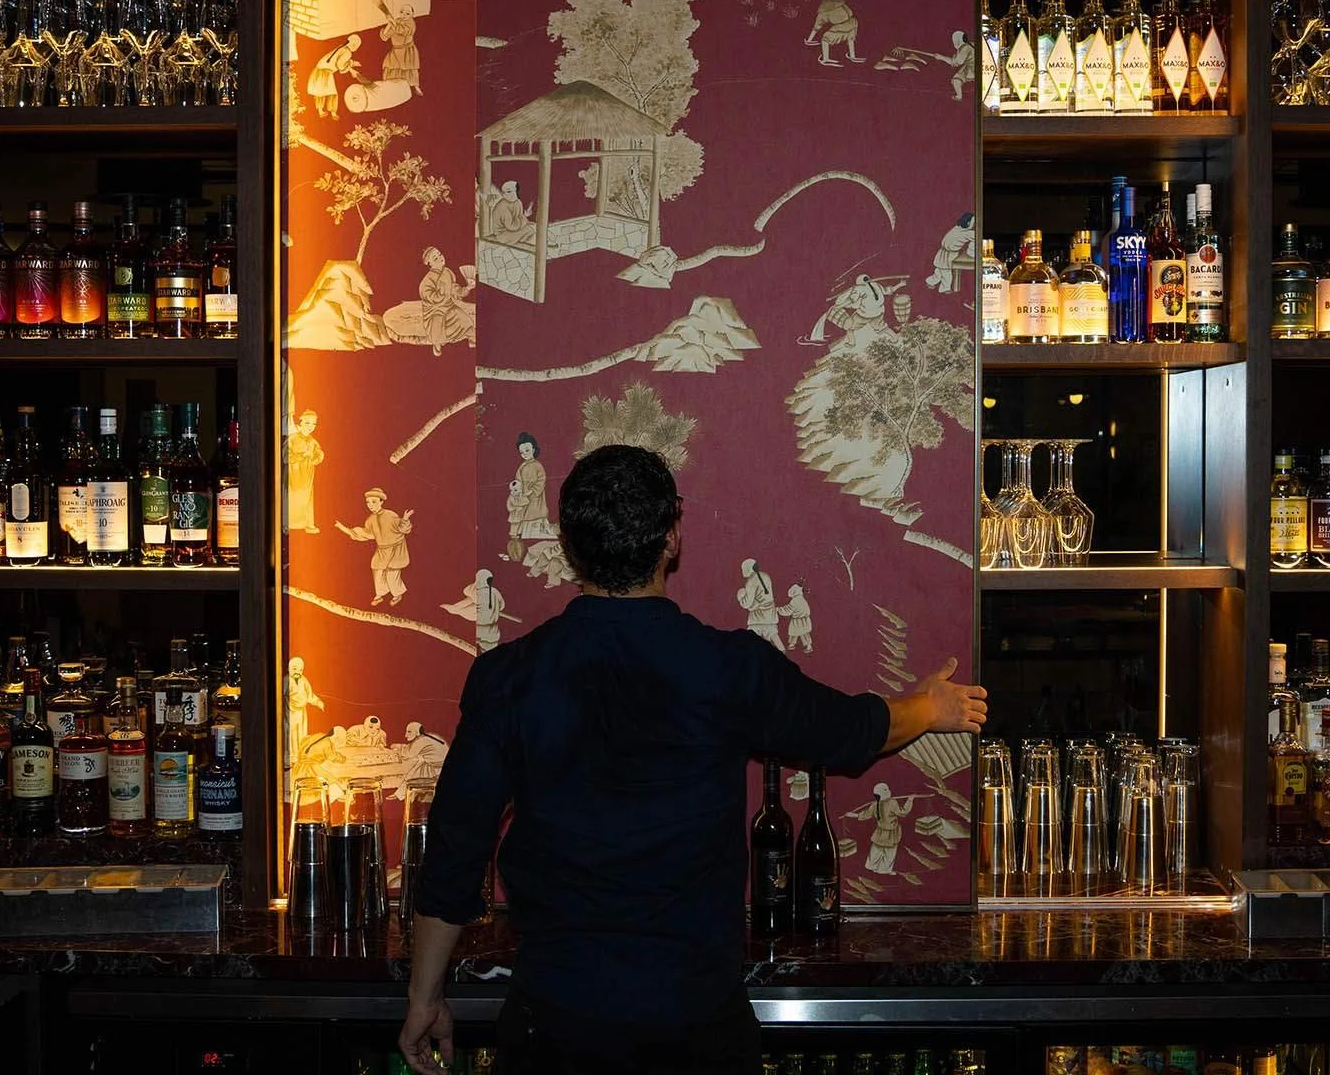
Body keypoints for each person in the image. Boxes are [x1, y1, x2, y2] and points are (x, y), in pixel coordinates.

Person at [401, 445, 988, 1075]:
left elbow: (454, 856)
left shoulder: (507, 678)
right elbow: (850, 730)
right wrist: (928, 708)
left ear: (569, 546)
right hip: (698, 1028)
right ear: (671, 538)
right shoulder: (728, 668)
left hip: (557, 1024)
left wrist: (423, 998)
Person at [342, 487, 415, 606]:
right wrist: (348, 531)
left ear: (381, 501)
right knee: (377, 569)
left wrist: (405, 519)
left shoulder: (391, 515)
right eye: (368, 502)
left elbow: (403, 529)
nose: (370, 505)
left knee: (392, 573)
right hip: (382, 550)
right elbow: (367, 533)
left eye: (374, 501)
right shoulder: (370, 520)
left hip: (396, 548)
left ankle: (397, 593)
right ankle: (380, 593)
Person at [505, 432, 549, 562]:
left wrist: (531, 491)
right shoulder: (522, 466)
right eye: (522, 452)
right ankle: (518, 551)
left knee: (532, 521)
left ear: (534, 449)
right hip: (523, 496)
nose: (524, 454)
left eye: (527, 450)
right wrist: (517, 491)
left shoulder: (538, 466)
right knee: (519, 521)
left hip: (534, 498)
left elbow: (541, 481)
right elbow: (518, 481)